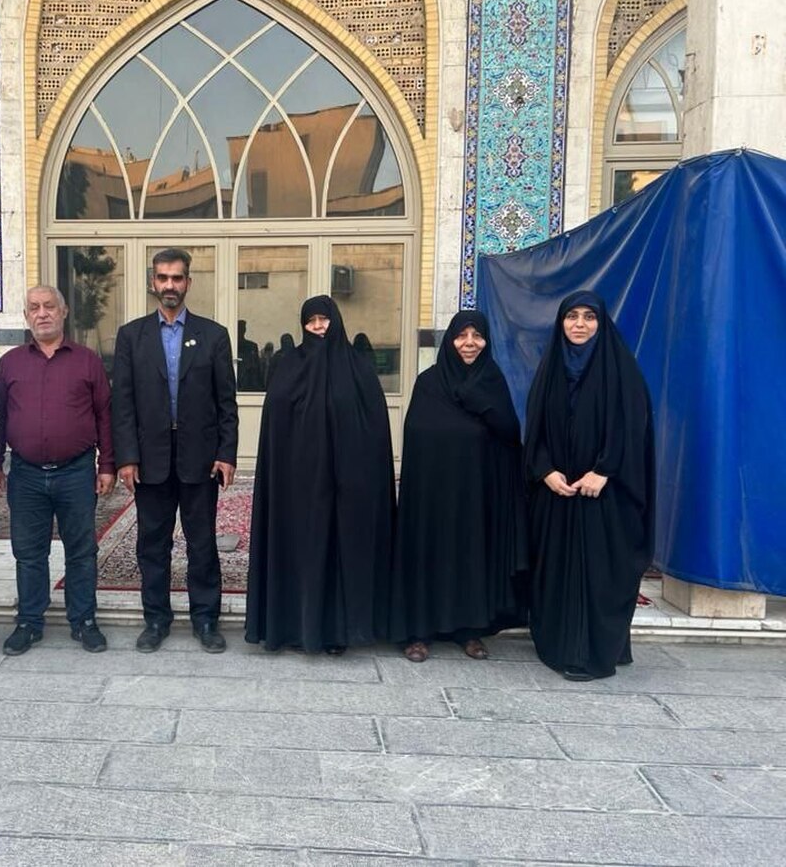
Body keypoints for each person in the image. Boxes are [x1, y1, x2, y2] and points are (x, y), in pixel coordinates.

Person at [244, 295, 395, 654]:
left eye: (323, 319)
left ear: (335, 321)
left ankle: (338, 632)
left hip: (347, 483)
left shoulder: (359, 368)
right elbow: (276, 421)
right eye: (310, 320)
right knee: (301, 550)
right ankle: (294, 627)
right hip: (298, 483)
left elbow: (374, 428)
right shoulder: (288, 365)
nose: (317, 327)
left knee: (340, 552)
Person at [111, 247, 238, 653]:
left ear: (188, 283)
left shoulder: (214, 335)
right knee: (152, 544)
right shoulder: (131, 336)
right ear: (153, 282)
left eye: (177, 278)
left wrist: (226, 453)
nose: (170, 285)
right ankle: (155, 619)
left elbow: (226, 403)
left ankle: (206, 619)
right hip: (150, 461)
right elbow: (122, 403)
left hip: (200, 459)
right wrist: (127, 457)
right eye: (163, 277)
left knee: (202, 544)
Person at [525, 291, 655, 681]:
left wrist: (604, 470)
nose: (579, 324)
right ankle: (559, 645)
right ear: (561, 323)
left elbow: (633, 427)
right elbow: (536, 428)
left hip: (603, 496)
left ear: (601, 323)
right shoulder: (551, 370)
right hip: (559, 493)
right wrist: (546, 471)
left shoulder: (621, 371)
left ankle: (590, 654)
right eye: (572, 316)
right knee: (559, 572)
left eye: (589, 317)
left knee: (598, 574)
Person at [389, 310, 527, 662]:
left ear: (486, 341)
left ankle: (468, 629)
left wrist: (480, 405)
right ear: (450, 341)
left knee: (470, 555)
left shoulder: (492, 379)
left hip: (476, 491)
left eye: (476, 336)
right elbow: (417, 432)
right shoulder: (429, 382)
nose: (469, 343)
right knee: (428, 554)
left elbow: (510, 432)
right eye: (461, 336)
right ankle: (419, 632)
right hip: (431, 492)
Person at [0, 285, 116, 656]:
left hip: (76, 472)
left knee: (81, 551)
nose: (42, 313)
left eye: (49, 306)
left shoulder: (87, 361)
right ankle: (29, 622)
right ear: (26, 316)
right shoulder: (10, 363)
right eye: (34, 308)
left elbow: (105, 415)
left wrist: (106, 464)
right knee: (29, 553)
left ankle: (84, 621)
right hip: (25, 474)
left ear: (63, 312)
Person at [236, 319, 264, 392]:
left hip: (249, 386)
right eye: (241, 329)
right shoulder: (230, 345)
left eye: (243, 329)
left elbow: (256, 368)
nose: (242, 331)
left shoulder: (251, 346)